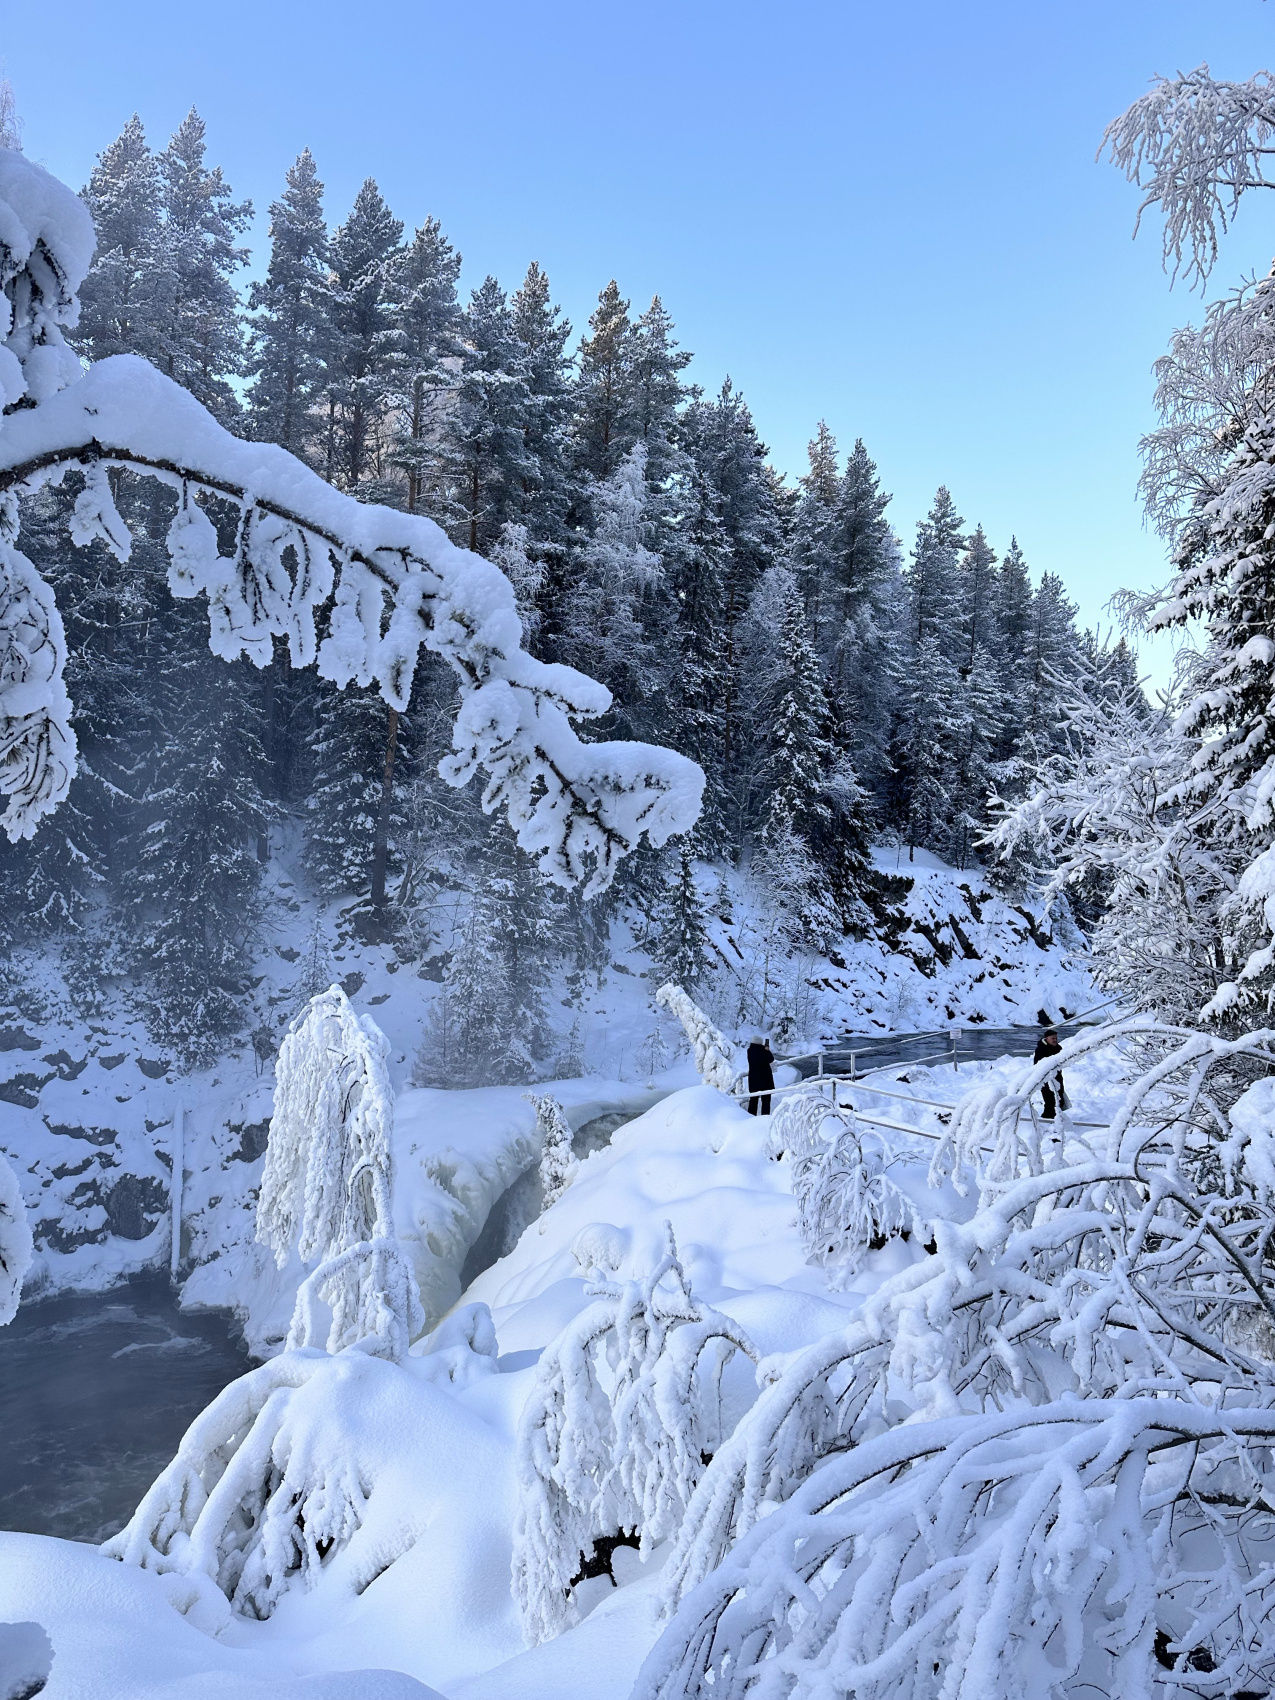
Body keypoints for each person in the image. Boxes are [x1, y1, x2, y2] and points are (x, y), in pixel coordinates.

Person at [1033, 1027, 1067, 1120]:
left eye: (1056, 1038)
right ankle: (1047, 1119)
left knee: (1060, 1099)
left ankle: (1057, 1118)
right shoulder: (1041, 1049)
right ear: (1047, 1039)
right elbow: (1038, 1065)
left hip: (1058, 1078)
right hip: (1046, 1079)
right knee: (1050, 1101)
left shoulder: (1059, 1048)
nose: (1055, 1040)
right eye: (1053, 1038)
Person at [746, 1035, 774, 1116]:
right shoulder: (763, 1051)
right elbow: (771, 1059)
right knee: (766, 1101)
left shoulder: (749, 1051)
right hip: (765, 1080)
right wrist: (767, 1050)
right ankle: (764, 1118)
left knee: (753, 1101)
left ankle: (750, 1117)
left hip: (753, 1080)